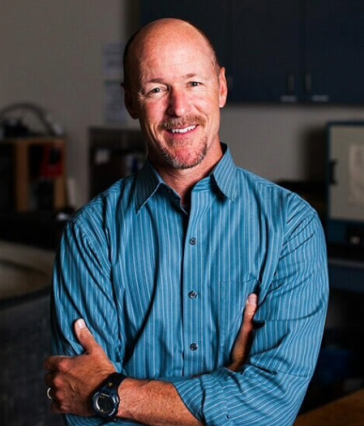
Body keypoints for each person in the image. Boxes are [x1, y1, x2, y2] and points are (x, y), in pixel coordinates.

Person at [44, 18, 329, 426]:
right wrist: (230, 394)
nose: (179, 108)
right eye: (157, 89)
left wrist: (110, 394)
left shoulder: (291, 227)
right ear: (130, 102)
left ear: (222, 88)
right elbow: (83, 410)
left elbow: (273, 406)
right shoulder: (91, 235)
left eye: (194, 83)